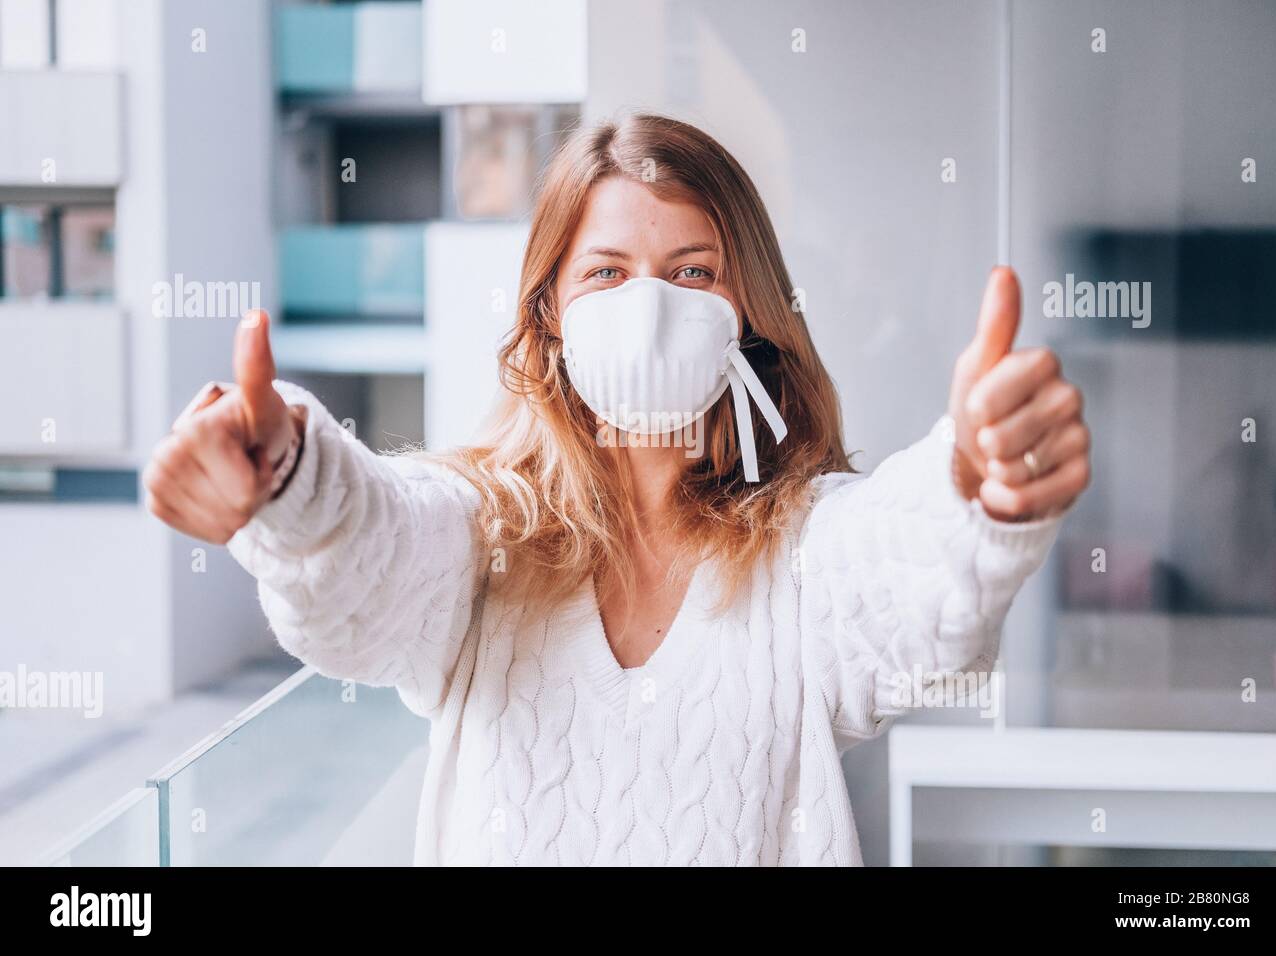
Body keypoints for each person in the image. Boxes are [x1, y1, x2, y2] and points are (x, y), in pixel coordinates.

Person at [145, 113, 1090, 865]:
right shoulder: (483, 535)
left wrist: (979, 481)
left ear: (745, 312)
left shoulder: (804, 549)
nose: (650, 307)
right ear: (549, 311)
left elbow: (909, 583)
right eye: (607, 273)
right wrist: (286, 473)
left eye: (692, 272)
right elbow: (372, 553)